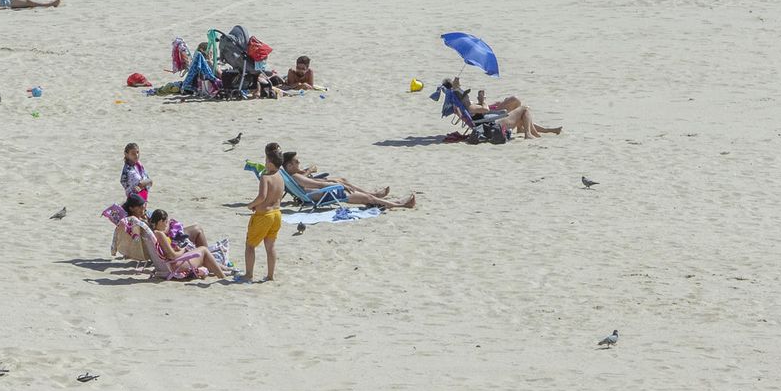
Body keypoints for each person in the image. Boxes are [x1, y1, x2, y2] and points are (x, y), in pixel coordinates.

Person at [280, 151, 416, 210]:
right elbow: (319, 184)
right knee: (368, 198)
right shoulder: (296, 177)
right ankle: (400, 204)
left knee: (367, 198)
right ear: (290, 166)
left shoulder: (293, 176)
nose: (299, 163)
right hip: (330, 194)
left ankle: (386, 201)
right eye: (297, 162)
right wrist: (339, 185)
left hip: (328, 193)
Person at [442, 78, 561, 138]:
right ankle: (528, 134)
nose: (468, 95)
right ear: (463, 97)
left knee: (520, 112)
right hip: (493, 123)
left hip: (488, 120)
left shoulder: (461, 104)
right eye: (466, 95)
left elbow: (479, 110)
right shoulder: (469, 106)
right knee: (525, 109)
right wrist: (482, 99)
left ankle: (544, 131)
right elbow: (485, 110)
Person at [240, 146, 284, 283]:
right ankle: (270, 275)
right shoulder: (280, 176)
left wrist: (251, 205)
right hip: (277, 214)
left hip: (264, 216)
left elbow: (262, 196)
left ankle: (248, 275)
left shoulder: (265, 177)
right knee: (270, 247)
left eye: (266, 160)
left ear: (270, 162)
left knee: (250, 245)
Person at [148, 210, 227, 281]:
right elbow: (172, 255)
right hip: (175, 265)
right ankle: (222, 277)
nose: (166, 225)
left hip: (169, 264)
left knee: (202, 253)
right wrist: (183, 250)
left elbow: (167, 252)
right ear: (160, 221)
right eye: (166, 222)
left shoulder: (154, 233)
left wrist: (177, 249)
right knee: (203, 250)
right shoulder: (160, 234)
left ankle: (224, 269)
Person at [111, 193, 155, 262]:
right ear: (131, 208)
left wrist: (147, 221)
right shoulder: (127, 222)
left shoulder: (148, 214)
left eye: (143, 205)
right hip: (140, 249)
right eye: (140, 206)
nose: (143, 208)